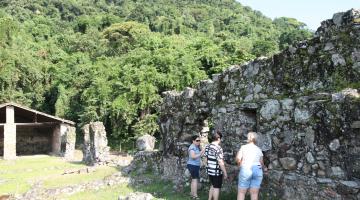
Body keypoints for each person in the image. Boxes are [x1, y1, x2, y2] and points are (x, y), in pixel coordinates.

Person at [236, 131, 268, 200]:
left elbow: (238, 159)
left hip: (246, 168)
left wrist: (240, 164)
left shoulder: (243, 147)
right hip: (257, 169)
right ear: (256, 139)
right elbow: (261, 163)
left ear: (248, 138)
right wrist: (265, 168)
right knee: (254, 193)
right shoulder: (259, 149)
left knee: (241, 192)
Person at [204, 131, 228, 200]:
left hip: (209, 170)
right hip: (216, 171)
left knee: (213, 185)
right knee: (217, 187)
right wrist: (225, 173)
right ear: (218, 139)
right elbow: (220, 161)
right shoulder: (218, 148)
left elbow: (206, 159)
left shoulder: (207, 146)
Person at [187, 135, 205, 199]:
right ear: (193, 141)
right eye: (197, 140)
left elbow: (200, 155)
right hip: (193, 165)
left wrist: (203, 151)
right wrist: (201, 152)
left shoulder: (196, 147)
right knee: (195, 180)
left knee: (193, 180)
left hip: (195, 165)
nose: (198, 142)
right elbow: (193, 156)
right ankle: (195, 195)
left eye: (199, 140)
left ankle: (192, 194)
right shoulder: (192, 147)